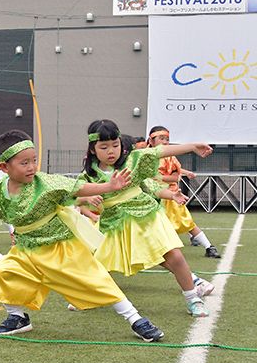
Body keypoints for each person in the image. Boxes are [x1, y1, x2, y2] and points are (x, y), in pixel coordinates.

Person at [0, 130, 164, 342]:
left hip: (61, 248)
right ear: (4, 167)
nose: (31, 167)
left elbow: (78, 187)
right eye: (24, 163)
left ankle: (136, 319)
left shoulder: (45, 183)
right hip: (26, 250)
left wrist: (108, 186)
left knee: (97, 281)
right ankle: (17, 318)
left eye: (34, 160)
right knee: (4, 271)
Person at [80, 119, 214, 318]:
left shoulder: (134, 160)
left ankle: (193, 298)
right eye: (104, 147)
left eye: (115, 145)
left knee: (174, 257)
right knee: (96, 263)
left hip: (146, 217)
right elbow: (75, 194)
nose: (111, 151)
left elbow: (160, 152)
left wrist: (193, 147)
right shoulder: (89, 175)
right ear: (93, 149)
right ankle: (88, 296)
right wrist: (87, 197)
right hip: (114, 224)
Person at [147, 126, 221, 258]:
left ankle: (209, 247)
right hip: (151, 198)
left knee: (187, 223)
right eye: (161, 138)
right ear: (151, 141)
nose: (165, 142)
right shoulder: (145, 156)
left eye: (167, 139)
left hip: (171, 197)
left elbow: (175, 177)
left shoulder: (170, 158)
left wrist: (156, 177)